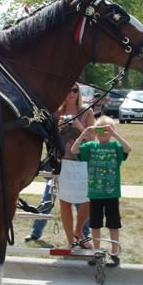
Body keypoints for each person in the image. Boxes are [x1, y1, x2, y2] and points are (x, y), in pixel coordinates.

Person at [71, 115, 131, 267]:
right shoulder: (90, 147)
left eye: (107, 130)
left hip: (112, 193)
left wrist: (115, 134)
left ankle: (114, 252)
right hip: (95, 193)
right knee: (95, 224)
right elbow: (74, 150)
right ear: (95, 131)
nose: (104, 132)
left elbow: (128, 149)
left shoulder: (116, 147)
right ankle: (97, 252)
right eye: (100, 129)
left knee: (113, 224)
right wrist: (84, 134)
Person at [57, 84, 95, 248]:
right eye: (68, 89)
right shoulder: (57, 111)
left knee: (88, 200)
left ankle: (78, 231)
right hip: (63, 161)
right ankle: (70, 241)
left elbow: (92, 139)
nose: (71, 93)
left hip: (83, 161)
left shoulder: (87, 112)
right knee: (65, 203)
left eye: (75, 90)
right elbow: (51, 139)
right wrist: (59, 127)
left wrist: (79, 126)